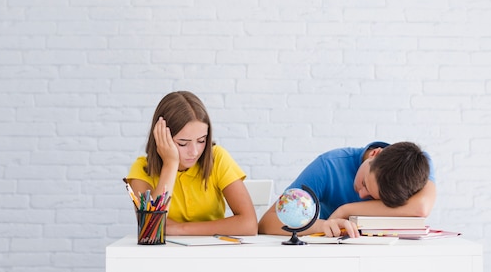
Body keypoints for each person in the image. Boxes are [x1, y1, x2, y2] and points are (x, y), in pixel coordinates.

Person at [126, 91, 258, 236]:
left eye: (201, 141)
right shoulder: (142, 169)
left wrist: (180, 229)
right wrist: (170, 164)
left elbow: (249, 225)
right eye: (183, 143)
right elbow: (151, 229)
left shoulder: (217, 158)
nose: (194, 152)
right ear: (161, 138)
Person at [258, 141, 436, 237]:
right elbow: (268, 222)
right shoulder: (328, 166)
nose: (361, 194)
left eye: (374, 198)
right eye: (365, 183)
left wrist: (346, 210)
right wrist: (321, 225)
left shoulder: (417, 167)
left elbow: (421, 208)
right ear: (375, 154)